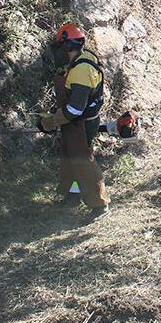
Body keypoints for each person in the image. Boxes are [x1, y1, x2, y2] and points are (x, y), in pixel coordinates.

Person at [38, 22, 111, 218]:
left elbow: (75, 108)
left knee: (82, 162)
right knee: (70, 158)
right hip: (78, 121)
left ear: (68, 46)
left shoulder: (80, 70)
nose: (59, 53)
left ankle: (99, 205)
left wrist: (52, 121)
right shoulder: (83, 58)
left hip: (80, 123)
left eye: (61, 48)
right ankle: (72, 195)